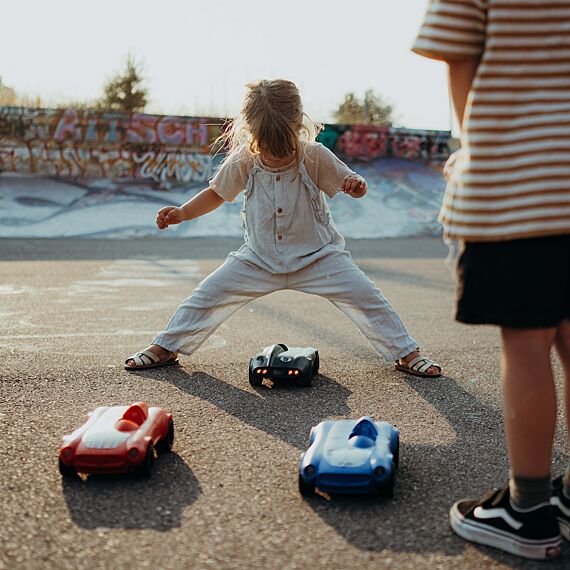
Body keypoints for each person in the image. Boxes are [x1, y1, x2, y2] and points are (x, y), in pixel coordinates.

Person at [124, 79, 441, 379]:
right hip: (258, 259)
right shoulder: (245, 159)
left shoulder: (313, 154)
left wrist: (354, 186)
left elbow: (350, 181)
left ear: (298, 124)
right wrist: (182, 212)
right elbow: (216, 193)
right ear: (251, 130)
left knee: (367, 297)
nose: (273, 151)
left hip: (320, 257)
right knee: (206, 295)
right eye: (266, 143)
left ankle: (405, 352)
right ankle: (166, 346)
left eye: (281, 142)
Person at [413, 0, 570, 561]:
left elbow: (459, 55)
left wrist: (475, 146)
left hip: (524, 184)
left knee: (528, 344)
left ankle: (526, 510)